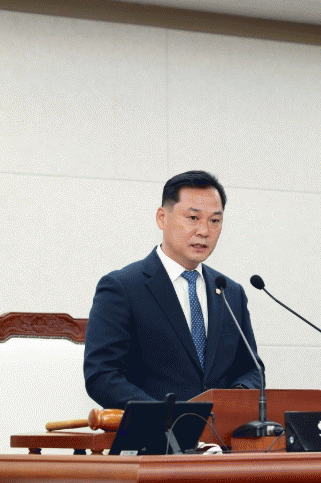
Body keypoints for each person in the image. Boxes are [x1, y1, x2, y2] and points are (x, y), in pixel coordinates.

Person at [83, 170, 264, 409]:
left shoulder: (231, 293)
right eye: (193, 218)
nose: (204, 231)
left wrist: (235, 399)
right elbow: (102, 375)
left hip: (221, 430)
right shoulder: (123, 288)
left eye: (214, 221)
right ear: (162, 218)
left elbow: (251, 369)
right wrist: (166, 415)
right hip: (154, 430)